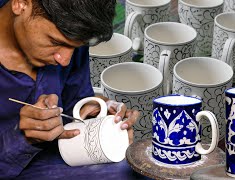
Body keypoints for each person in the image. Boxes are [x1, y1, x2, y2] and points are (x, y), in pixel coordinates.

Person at [0, 0, 142, 179]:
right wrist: (21, 138)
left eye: (77, 47)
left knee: (136, 170)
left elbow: (73, 100)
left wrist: (92, 114)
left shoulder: (71, 30)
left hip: (59, 159)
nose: (65, 60)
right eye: (54, 41)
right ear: (21, 4)